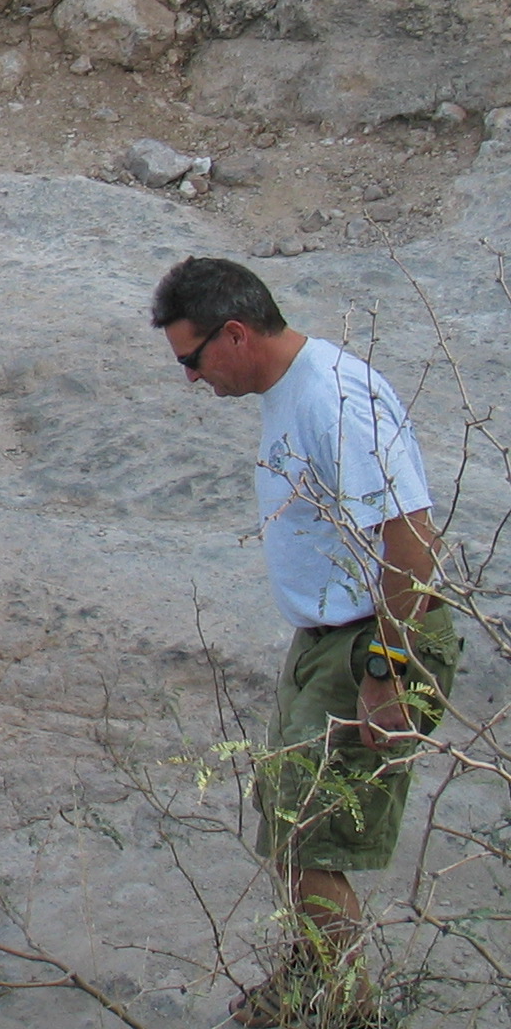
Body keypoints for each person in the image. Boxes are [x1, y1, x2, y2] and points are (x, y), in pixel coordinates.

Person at [150, 257, 459, 1028]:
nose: (190, 379)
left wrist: (389, 670)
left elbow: (412, 539)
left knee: (314, 840)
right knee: (291, 823)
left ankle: (346, 1010)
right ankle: (315, 979)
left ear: (235, 334)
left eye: (193, 359)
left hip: (374, 640)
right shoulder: (293, 391)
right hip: (329, 639)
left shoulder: (334, 399)